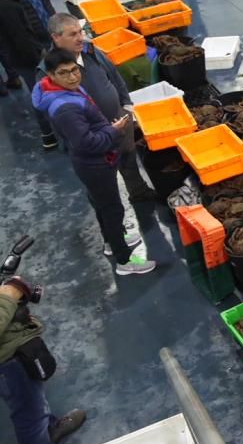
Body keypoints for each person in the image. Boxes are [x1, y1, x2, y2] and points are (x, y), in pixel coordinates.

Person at [32, 49, 158, 275]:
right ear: (51, 75)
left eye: (74, 70)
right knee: (112, 209)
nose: (72, 77)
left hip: (94, 162)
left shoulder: (61, 90)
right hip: (95, 164)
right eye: (64, 73)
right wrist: (113, 131)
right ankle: (125, 261)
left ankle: (112, 241)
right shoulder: (65, 107)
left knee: (101, 204)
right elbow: (87, 143)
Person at [44, 14, 159, 203]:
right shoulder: (49, 69)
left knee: (128, 158)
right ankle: (111, 212)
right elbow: (54, 113)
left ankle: (138, 191)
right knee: (103, 183)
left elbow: (115, 77)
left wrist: (126, 107)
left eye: (80, 31)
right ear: (56, 38)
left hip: (119, 121)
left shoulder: (91, 50)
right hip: (93, 137)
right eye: (73, 34)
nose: (80, 38)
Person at [0, 279, 87, 444]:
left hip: (14, 347)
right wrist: (8, 296)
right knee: (28, 414)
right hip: (6, 360)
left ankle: (50, 429)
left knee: (34, 398)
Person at [0, 0, 58, 149]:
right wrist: (41, 58)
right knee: (42, 95)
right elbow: (21, 39)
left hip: (25, 57)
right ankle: (50, 135)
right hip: (29, 60)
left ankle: (50, 134)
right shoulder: (7, 8)